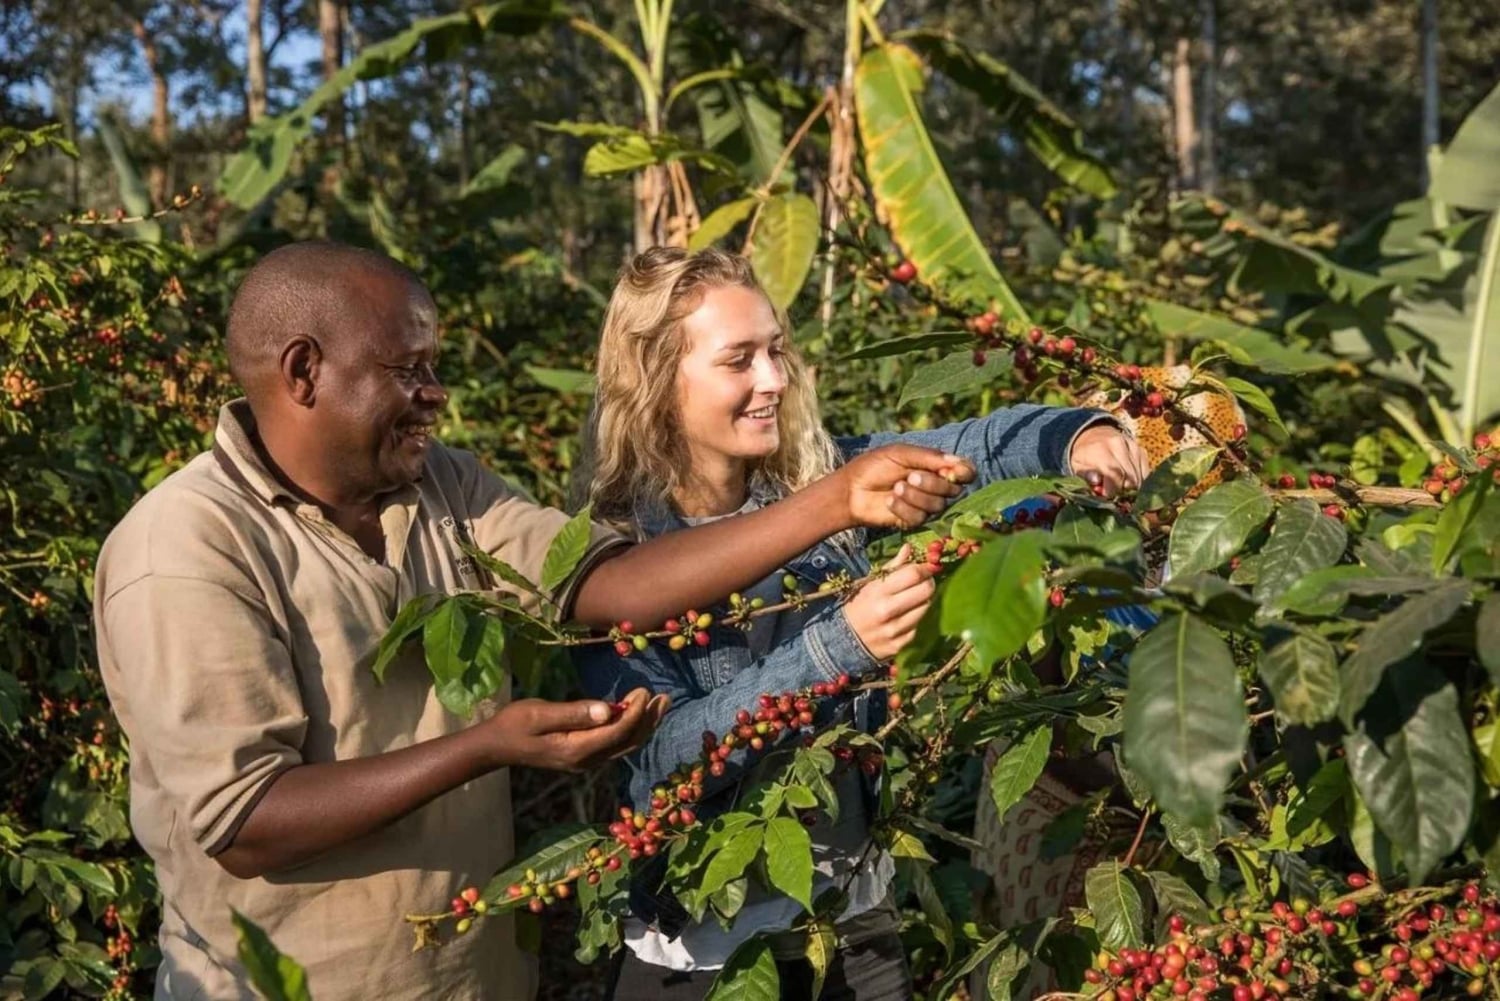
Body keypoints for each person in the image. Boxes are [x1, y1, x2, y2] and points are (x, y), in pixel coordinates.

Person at [92, 241, 980, 1001]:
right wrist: (489, 746)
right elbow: (245, 821)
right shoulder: (185, 546)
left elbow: (615, 585)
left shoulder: (443, 487)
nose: (436, 394)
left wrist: (830, 503)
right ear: (303, 371)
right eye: (408, 369)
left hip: (471, 975)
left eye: (435, 366)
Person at [572, 247, 1149, 1001]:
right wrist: (841, 644)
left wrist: (1077, 435)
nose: (774, 380)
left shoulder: (824, 481)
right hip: (701, 962)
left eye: (776, 350)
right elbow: (663, 767)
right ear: (656, 380)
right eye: (738, 360)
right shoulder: (614, 563)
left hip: (858, 931)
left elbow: (971, 446)